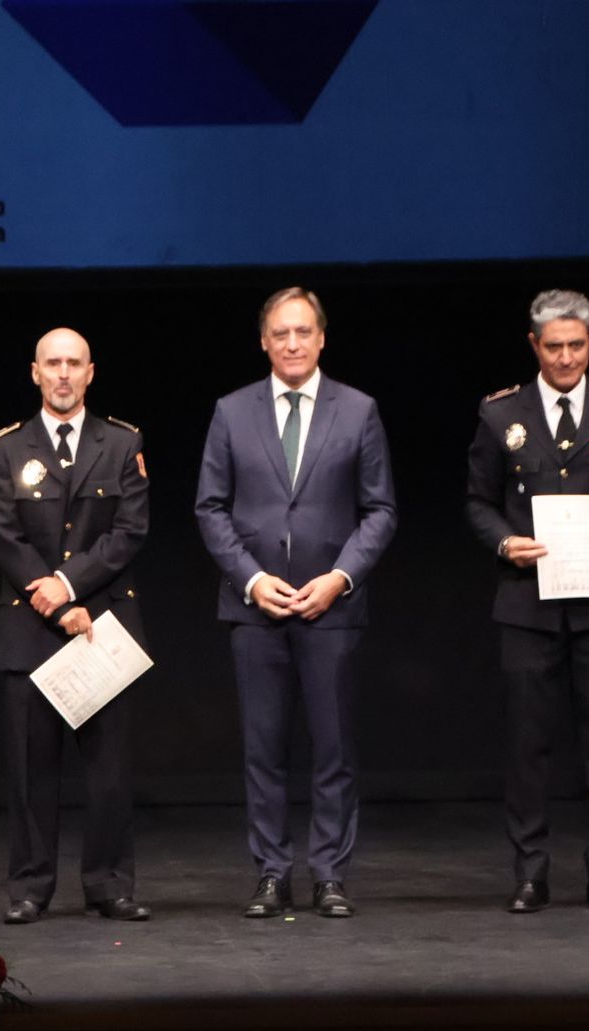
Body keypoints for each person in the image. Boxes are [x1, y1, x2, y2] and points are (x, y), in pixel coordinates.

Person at [195, 287, 397, 919]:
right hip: (255, 610)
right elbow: (209, 508)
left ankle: (330, 873)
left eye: (303, 332)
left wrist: (341, 578)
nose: (291, 343)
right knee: (263, 749)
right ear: (263, 340)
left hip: (330, 607)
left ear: (322, 338)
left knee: (334, 749)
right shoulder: (231, 411)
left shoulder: (358, 410)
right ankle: (271, 873)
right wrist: (253, 580)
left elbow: (382, 510)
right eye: (280, 333)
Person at [465, 290, 589, 914]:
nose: (565, 358)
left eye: (576, 346)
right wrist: (504, 541)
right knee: (528, 746)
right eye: (553, 347)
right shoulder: (503, 414)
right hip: (528, 605)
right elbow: (476, 501)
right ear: (534, 346)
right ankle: (530, 872)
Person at [0, 327, 151, 924]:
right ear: (34, 372)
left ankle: (109, 884)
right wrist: (56, 602)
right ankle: (30, 887)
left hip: (102, 623)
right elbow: (6, 538)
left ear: (90, 372)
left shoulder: (122, 440)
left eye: (73, 364)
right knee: (32, 772)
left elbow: (129, 531)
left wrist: (73, 585)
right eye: (52, 363)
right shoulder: (5, 449)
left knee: (109, 771)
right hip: (32, 627)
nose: (62, 374)